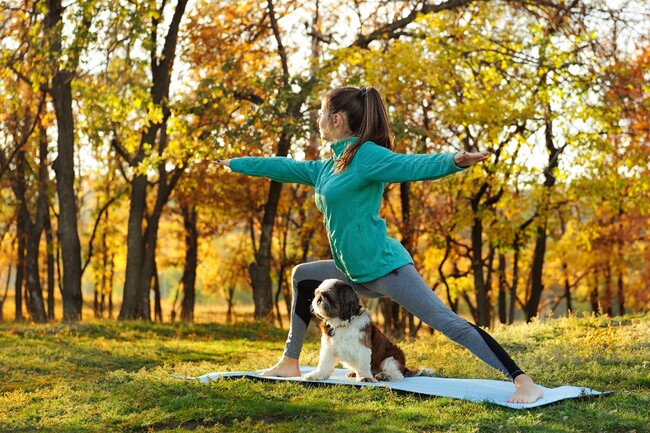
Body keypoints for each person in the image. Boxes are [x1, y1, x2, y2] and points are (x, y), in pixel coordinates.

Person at [215, 86, 543, 404]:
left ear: (337, 119)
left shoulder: (367, 157)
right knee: (304, 276)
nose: (317, 120)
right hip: (352, 272)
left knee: (448, 323)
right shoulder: (328, 167)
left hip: (386, 269)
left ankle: (522, 380)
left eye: (321, 113)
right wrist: (239, 163)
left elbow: (410, 165)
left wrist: (453, 161)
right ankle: (290, 362)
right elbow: (286, 168)